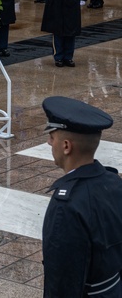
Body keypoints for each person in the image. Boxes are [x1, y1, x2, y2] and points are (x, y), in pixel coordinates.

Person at [40, 96, 122, 296]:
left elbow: (62, 279)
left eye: (52, 137)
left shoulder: (66, 205)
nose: (49, 142)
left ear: (66, 146)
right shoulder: (115, 183)